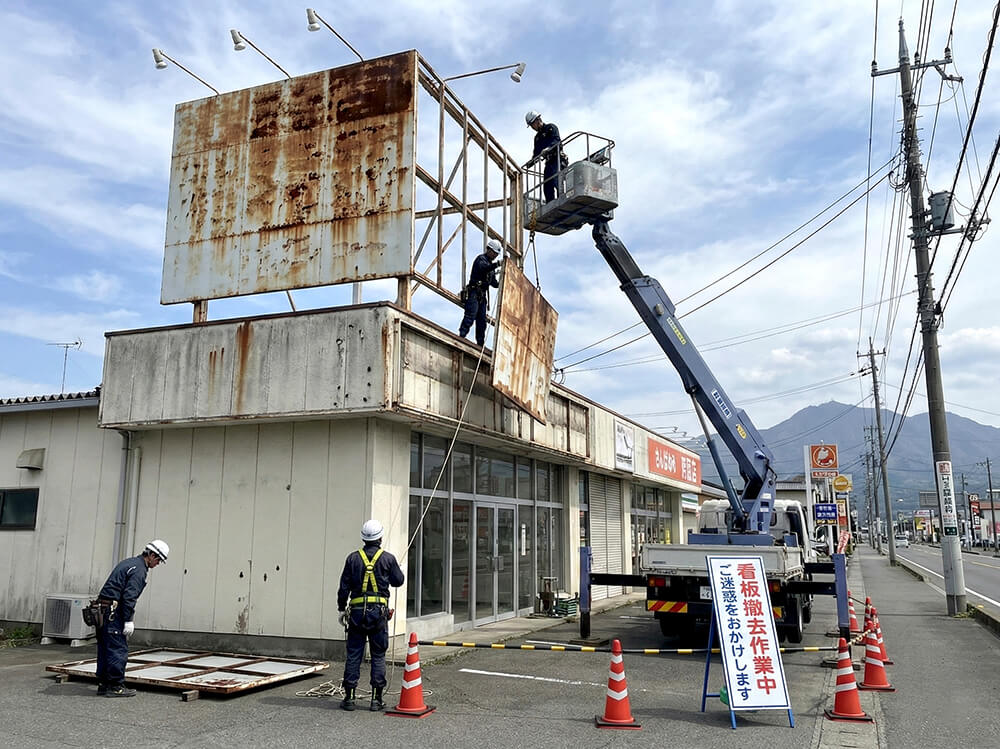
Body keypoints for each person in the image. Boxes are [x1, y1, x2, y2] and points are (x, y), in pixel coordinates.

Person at [337, 519, 404, 711]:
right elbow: (398, 581)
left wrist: (341, 608)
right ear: (380, 537)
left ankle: (349, 698)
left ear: (363, 538)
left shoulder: (352, 558)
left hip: (357, 613)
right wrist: (397, 569)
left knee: (354, 654)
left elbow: (344, 587)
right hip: (378, 614)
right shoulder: (388, 558)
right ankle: (376, 699)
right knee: (378, 654)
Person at [94, 539, 169, 697]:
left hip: (102, 611)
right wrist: (128, 620)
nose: (157, 564)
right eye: (158, 560)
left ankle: (104, 684)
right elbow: (129, 597)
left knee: (105, 648)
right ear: (152, 555)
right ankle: (116, 687)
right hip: (112, 613)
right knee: (118, 649)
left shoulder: (129, 562)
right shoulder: (139, 570)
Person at [458, 239, 502, 347]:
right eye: (494, 253)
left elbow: (494, 283)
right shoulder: (481, 259)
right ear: (489, 250)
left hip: (482, 296)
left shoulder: (491, 268)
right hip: (474, 293)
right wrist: (497, 265)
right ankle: (461, 337)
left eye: (496, 254)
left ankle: (480, 344)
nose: (495, 256)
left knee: (482, 321)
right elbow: (484, 269)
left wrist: (503, 280)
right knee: (470, 316)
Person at [526, 110, 565, 203]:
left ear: (538, 120)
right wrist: (530, 163)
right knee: (547, 185)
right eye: (531, 126)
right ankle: (550, 204)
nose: (533, 128)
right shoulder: (537, 138)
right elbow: (536, 153)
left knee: (557, 181)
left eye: (532, 125)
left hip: (557, 159)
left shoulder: (551, 128)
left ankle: (562, 200)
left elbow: (557, 141)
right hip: (549, 162)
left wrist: (548, 148)